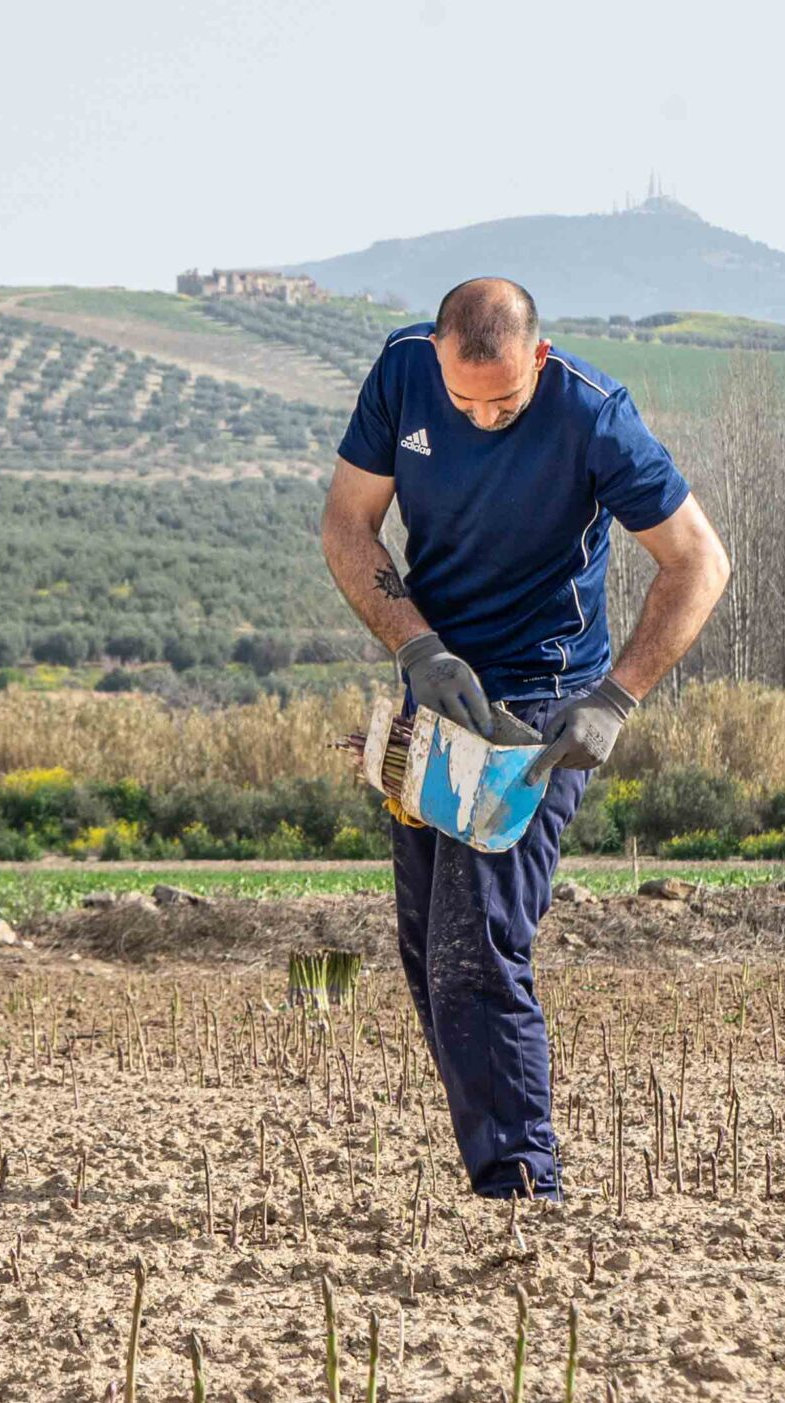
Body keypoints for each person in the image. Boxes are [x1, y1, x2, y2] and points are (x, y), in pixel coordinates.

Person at [319, 278, 730, 1198]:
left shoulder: (594, 416)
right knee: (429, 955)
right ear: (435, 357)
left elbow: (700, 561)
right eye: (465, 402)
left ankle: (521, 1187)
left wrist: (615, 699)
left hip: (544, 709)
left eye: (504, 399)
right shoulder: (399, 375)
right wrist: (416, 647)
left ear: (538, 360)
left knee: (479, 949)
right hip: (438, 695)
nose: (485, 415)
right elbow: (348, 525)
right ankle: (501, 1167)